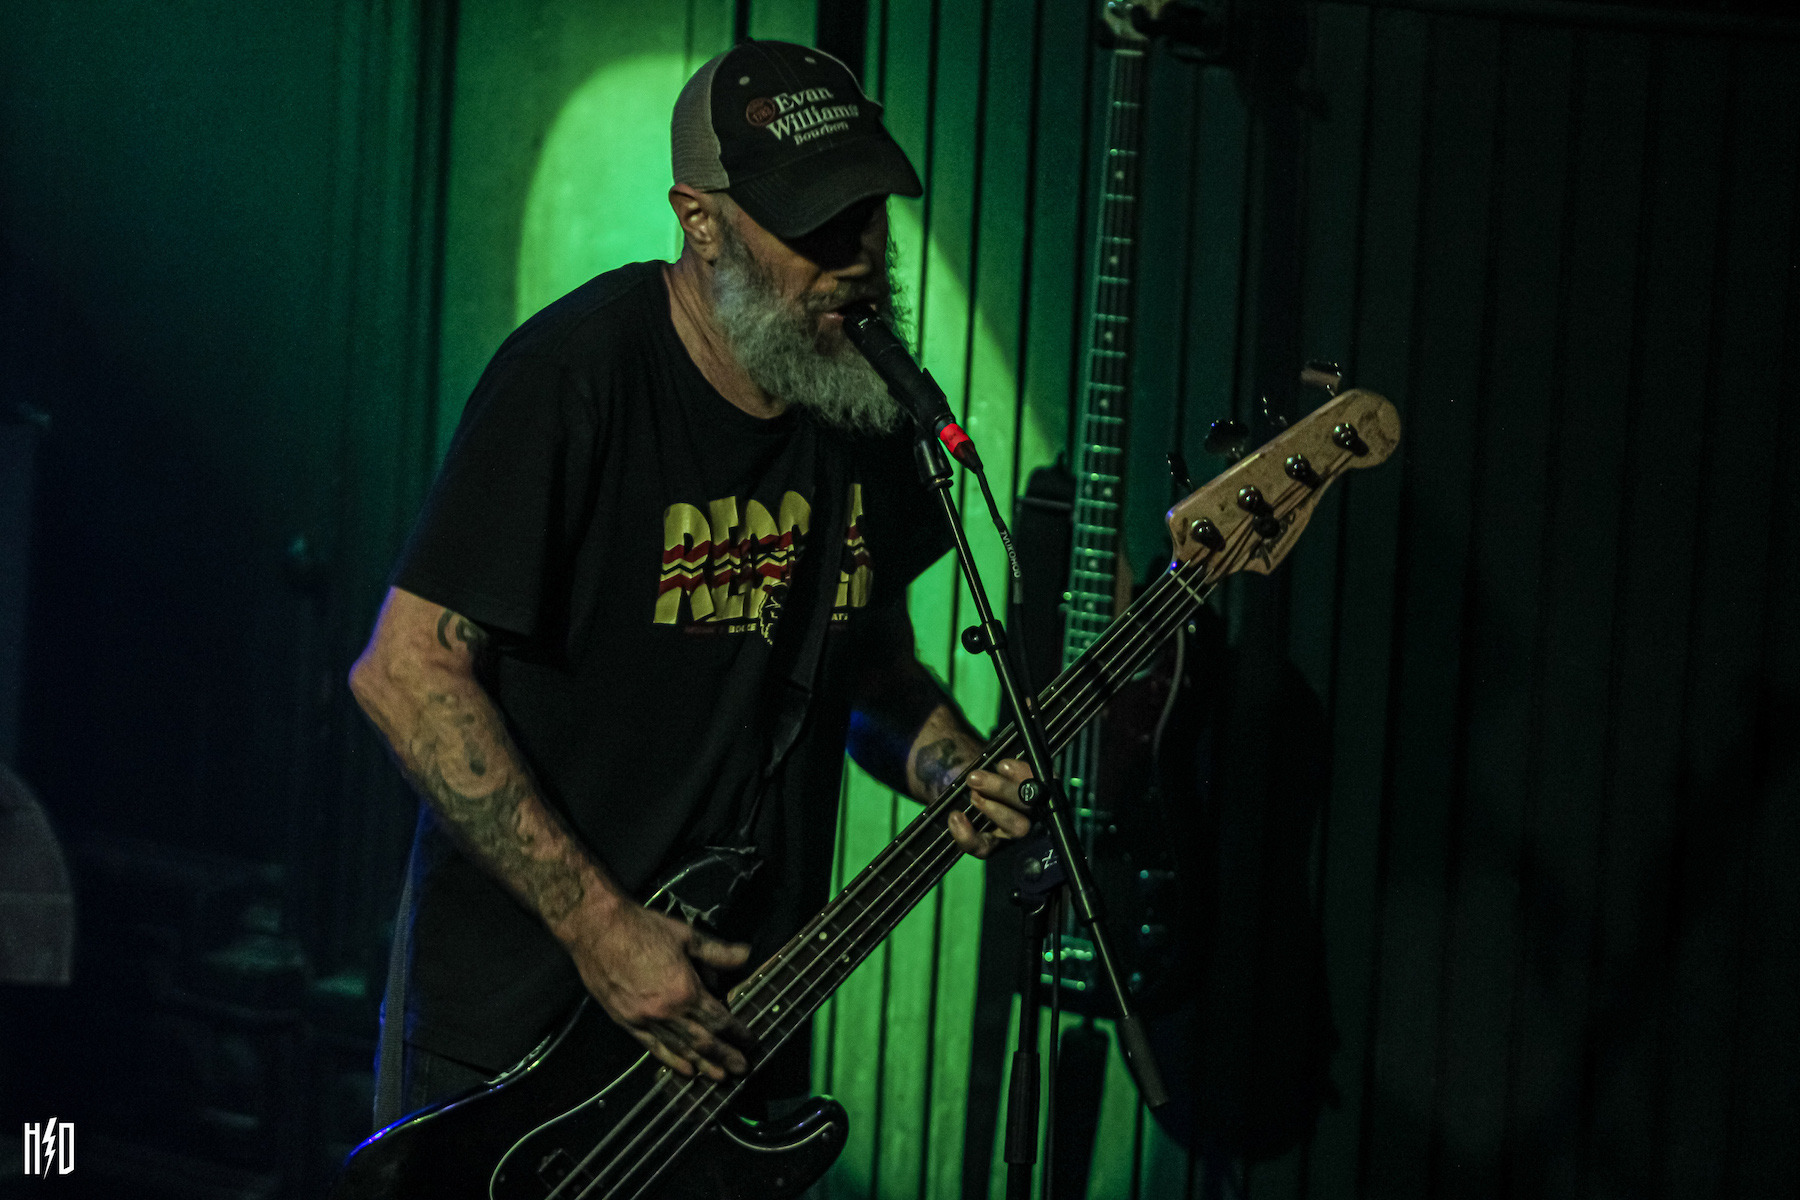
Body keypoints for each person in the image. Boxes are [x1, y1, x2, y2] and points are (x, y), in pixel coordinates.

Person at [348, 40, 1034, 1128]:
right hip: (522, 1032)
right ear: (700, 222)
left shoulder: (862, 402)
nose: (856, 257)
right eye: (814, 225)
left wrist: (954, 768)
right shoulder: (575, 378)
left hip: (736, 1024)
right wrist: (600, 928)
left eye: (867, 215)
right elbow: (405, 673)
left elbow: (868, 667)